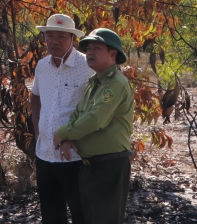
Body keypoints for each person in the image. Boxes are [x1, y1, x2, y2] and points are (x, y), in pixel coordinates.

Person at [52, 28, 135, 224]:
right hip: (90, 166)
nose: (90, 52)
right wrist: (68, 138)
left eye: (97, 48)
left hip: (109, 165)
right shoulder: (94, 83)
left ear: (113, 54)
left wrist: (61, 132)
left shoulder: (115, 83)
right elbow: (78, 114)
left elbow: (95, 120)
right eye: (88, 48)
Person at [31, 14, 92, 224]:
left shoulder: (87, 66)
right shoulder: (41, 66)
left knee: (81, 213)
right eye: (50, 36)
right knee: (51, 214)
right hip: (44, 153)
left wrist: (74, 136)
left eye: (61, 37)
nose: (54, 41)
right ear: (44, 38)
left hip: (74, 156)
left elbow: (94, 111)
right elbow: (35, 99)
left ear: (72, 40)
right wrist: (38, 134)